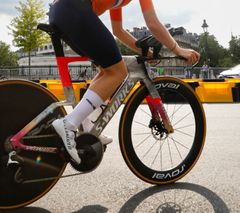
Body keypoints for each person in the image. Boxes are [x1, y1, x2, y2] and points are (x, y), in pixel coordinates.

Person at [49, 0, 200, 164]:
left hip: (62, 11)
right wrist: (177, 49)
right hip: (74, 10)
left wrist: (146, 53)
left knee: (108, 69)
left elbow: (118, 30)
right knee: (118, 72)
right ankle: (69, 124)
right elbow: (153, 23)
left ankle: (86, 123)